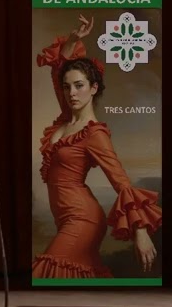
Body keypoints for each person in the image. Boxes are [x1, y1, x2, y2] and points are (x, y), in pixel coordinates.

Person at [32, 15, 161, 278]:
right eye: (67, 87)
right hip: (64, 218)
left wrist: (140, 231)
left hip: (83, 219)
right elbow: (60, 67)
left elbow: (121, 182)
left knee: (46, 273)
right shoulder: (66, 118)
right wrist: (74, 39)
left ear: (93, 88)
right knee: (77, 279)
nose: (71, 93)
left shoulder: (95, 134)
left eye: (79, 86)